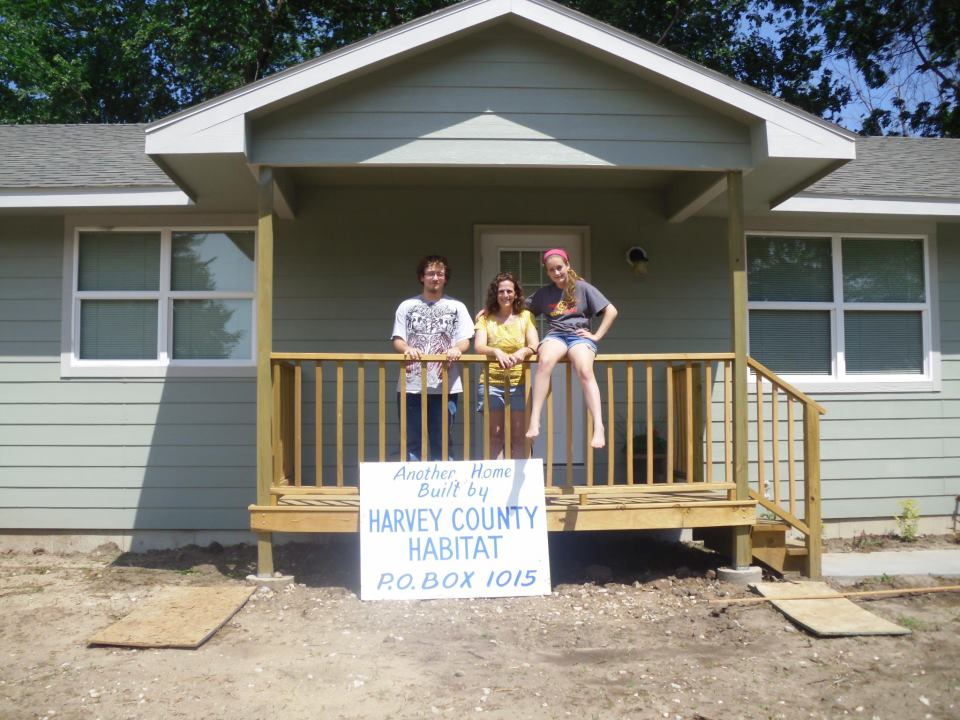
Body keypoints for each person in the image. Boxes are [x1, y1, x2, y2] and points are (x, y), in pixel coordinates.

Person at [525, 248, 618, 449]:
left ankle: (599, 426)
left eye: (559, 268)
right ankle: (535, 418)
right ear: (547, 272)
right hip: (556, 335)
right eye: (551, 270)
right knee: (545, 361)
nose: (557, 273)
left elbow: (611, 310)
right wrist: (490, 309)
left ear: (567, 265)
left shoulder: (583, 288)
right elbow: (517, 308)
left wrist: (596, 336)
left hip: (579, 336)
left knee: (584, 369)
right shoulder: (544, 294)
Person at [392, 255, 473, 461]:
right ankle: (413, 489)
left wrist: (457, 349)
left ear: (445, 278)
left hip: (445, 385)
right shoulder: (407, 306)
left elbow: (465, 340)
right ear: (422, 277)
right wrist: (407, 348)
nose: (435, 278)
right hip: (411, 384)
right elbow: (398, 340)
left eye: (440, 274)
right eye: (430, 273)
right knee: (412, 440)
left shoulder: (458, 307)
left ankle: (442, 490)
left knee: (442, 440)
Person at [474, 272, 539, 460]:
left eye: (509, 291)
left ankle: (519, 484)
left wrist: (523, 352)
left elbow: (535, 344)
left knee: (519, 436)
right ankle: (498, 483)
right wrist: (496, 352)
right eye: (501, 291)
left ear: (516, 293)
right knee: (495, 436)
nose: (505, 295)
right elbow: (479, 346)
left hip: (519, 383)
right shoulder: (485, 318)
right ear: (495, 294)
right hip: (491, 383)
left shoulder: (526, 317)